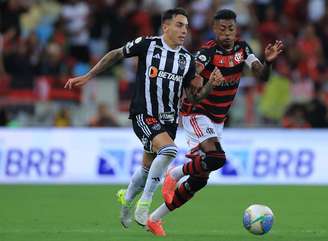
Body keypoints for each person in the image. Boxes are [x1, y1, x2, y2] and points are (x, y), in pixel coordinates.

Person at [64, 8, 223, 229]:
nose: (184, 30)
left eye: (186, 26)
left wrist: (209, 86)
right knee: (169, 151)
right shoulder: (148, 45)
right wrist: (89, 75)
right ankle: (144, 204)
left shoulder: (187, 59)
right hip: (143, 113)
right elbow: (116, 54)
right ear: (165, 27)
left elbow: (192, 97)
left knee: (148, 168)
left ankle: (126, 201)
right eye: (179, 25)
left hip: (169, 120)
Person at [147, 9, 284, 236]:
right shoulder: (206, 53)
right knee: (216, 158)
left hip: (217, 121)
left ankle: (155, 218)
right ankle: (174, 174)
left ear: (236, 29)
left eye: (231, 29)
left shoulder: (243, 49)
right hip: (196, 114)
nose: (227, 34)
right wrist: (207, 83)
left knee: (200, 180)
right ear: (215, 30)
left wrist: (267, 63)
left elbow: (263, 75)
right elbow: (191, 92)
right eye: (222, 29)